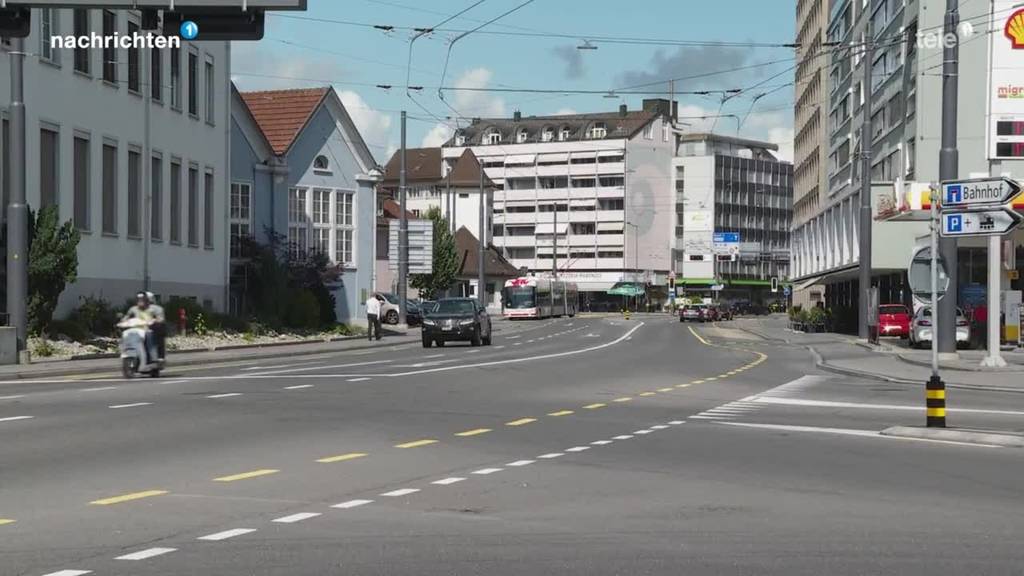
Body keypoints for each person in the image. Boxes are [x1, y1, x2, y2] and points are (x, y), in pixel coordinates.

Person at [122, 291, 166, 364]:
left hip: (148, 330)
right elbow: (127, 316)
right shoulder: (133, 309)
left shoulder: (156, 309)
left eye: (142, 299)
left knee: (150, 337)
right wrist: (123, 321)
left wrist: (156, 321)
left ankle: (153, 358)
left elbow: (160, 319)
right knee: (127, 336)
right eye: (139, 300)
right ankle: (127, 353)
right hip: (136, 330)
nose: (140, 301)